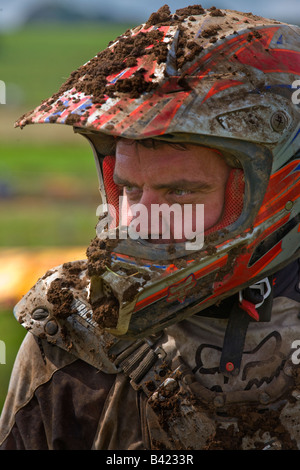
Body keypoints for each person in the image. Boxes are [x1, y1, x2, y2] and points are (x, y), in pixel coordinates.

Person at [1, 5, 300, 450]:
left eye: (181, 191)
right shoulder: (70, 339)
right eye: (128, 188)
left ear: (274, 187)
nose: (141, 218)